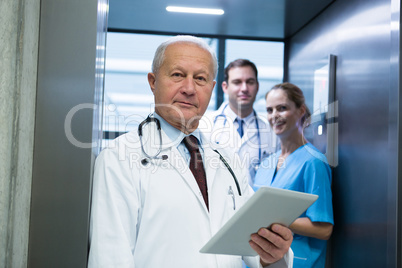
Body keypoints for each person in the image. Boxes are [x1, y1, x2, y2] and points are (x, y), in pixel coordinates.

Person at [88, 35, 294, 268]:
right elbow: (110, 258)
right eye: (177, 75)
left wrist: (273, 255)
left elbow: (255, 249)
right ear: (153, 81)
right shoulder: (119, 157)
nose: (189, 88)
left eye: (200, 79)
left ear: (212, 88)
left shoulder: (227, 159)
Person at [253, 82, 334, 268]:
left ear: (300, 111)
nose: (274, 116)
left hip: (298, 262)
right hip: (261, 261)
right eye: (270, 110)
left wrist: (273, 218)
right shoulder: (266, 164)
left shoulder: (313, 162)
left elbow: (324, 229)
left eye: (282, 108)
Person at [201, 59, 277, 187]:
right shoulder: (204, 126)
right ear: (225, 87)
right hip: (217, 206)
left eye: (250, 82)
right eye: (237, 82)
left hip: (257, 205)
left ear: (257, 86)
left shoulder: (272, 132)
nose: (244, 88)